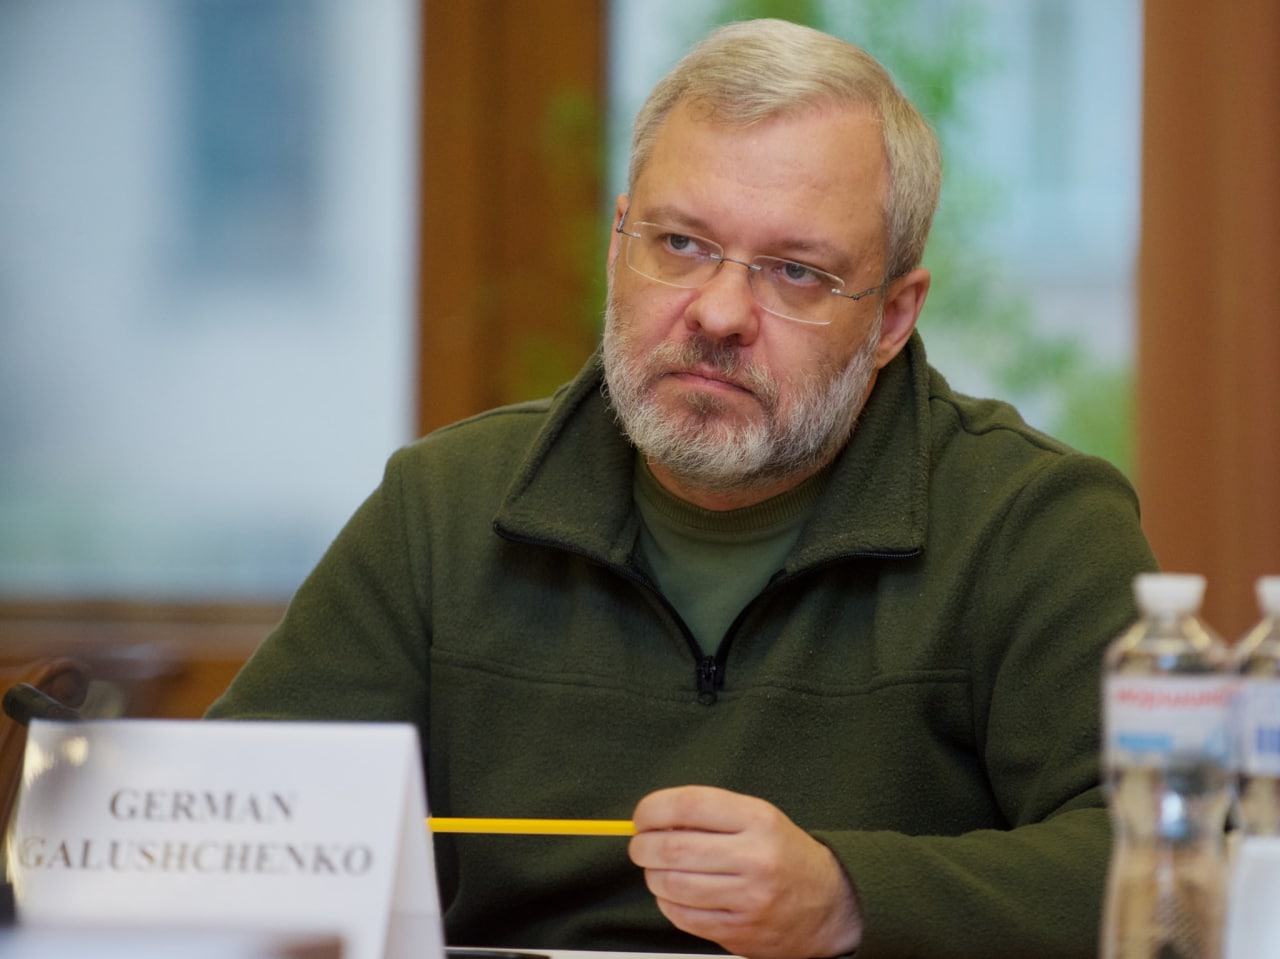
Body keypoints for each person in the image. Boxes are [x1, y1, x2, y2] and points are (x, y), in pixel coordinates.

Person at [207, 18, 1157, 959]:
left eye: (796, 272)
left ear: (893, 317)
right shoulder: (444, 507)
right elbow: (229, 825)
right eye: (681, 244)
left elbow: (1166, 865)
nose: (719, 312)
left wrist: (849, 900)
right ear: (618, 243)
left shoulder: (1033, 524)